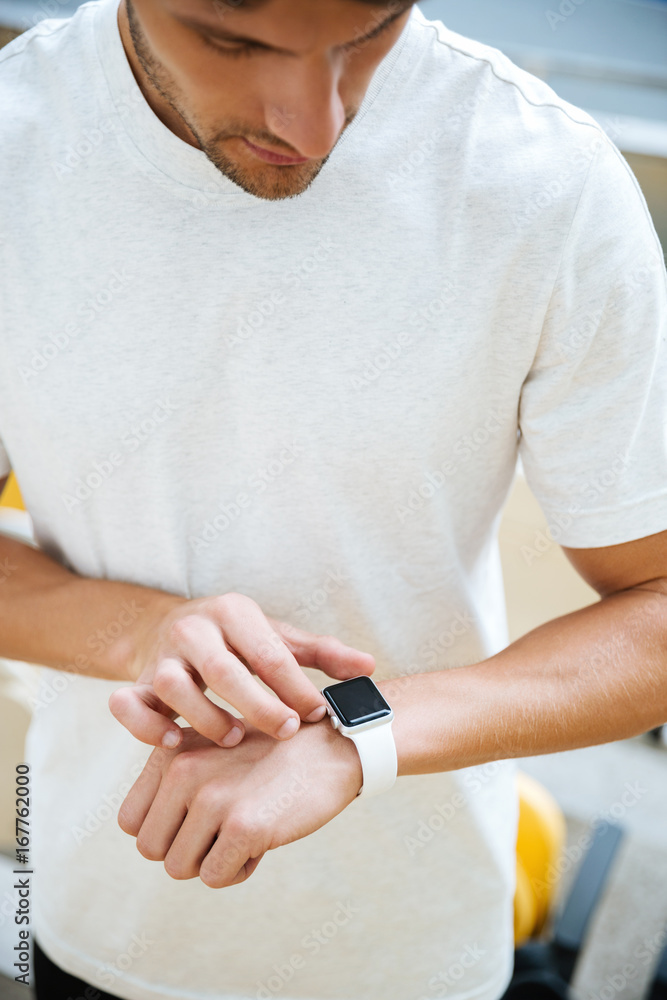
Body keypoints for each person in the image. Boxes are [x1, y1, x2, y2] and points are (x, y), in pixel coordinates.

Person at [0, 0, 665, 997]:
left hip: (413, 950)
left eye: (368, 34)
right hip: (89, 915)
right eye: (234, 43)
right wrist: (140, 631)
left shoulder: (545, 181)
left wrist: (360, 733)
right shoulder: (18, 143)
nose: (315, 126)